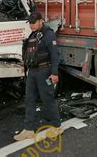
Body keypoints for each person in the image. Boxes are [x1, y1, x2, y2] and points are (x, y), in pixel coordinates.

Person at [14, 11, 61, 141]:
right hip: (33, 72)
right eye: (30, 23)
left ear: (41, 21)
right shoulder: (33, 34)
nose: (31, 25)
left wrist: (55, 73)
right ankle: (29, 129)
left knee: (47, 99)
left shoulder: (49, 35)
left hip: (45, 71)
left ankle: (56, 126)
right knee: (29, 99)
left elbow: (55, 55)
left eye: (34, 23)